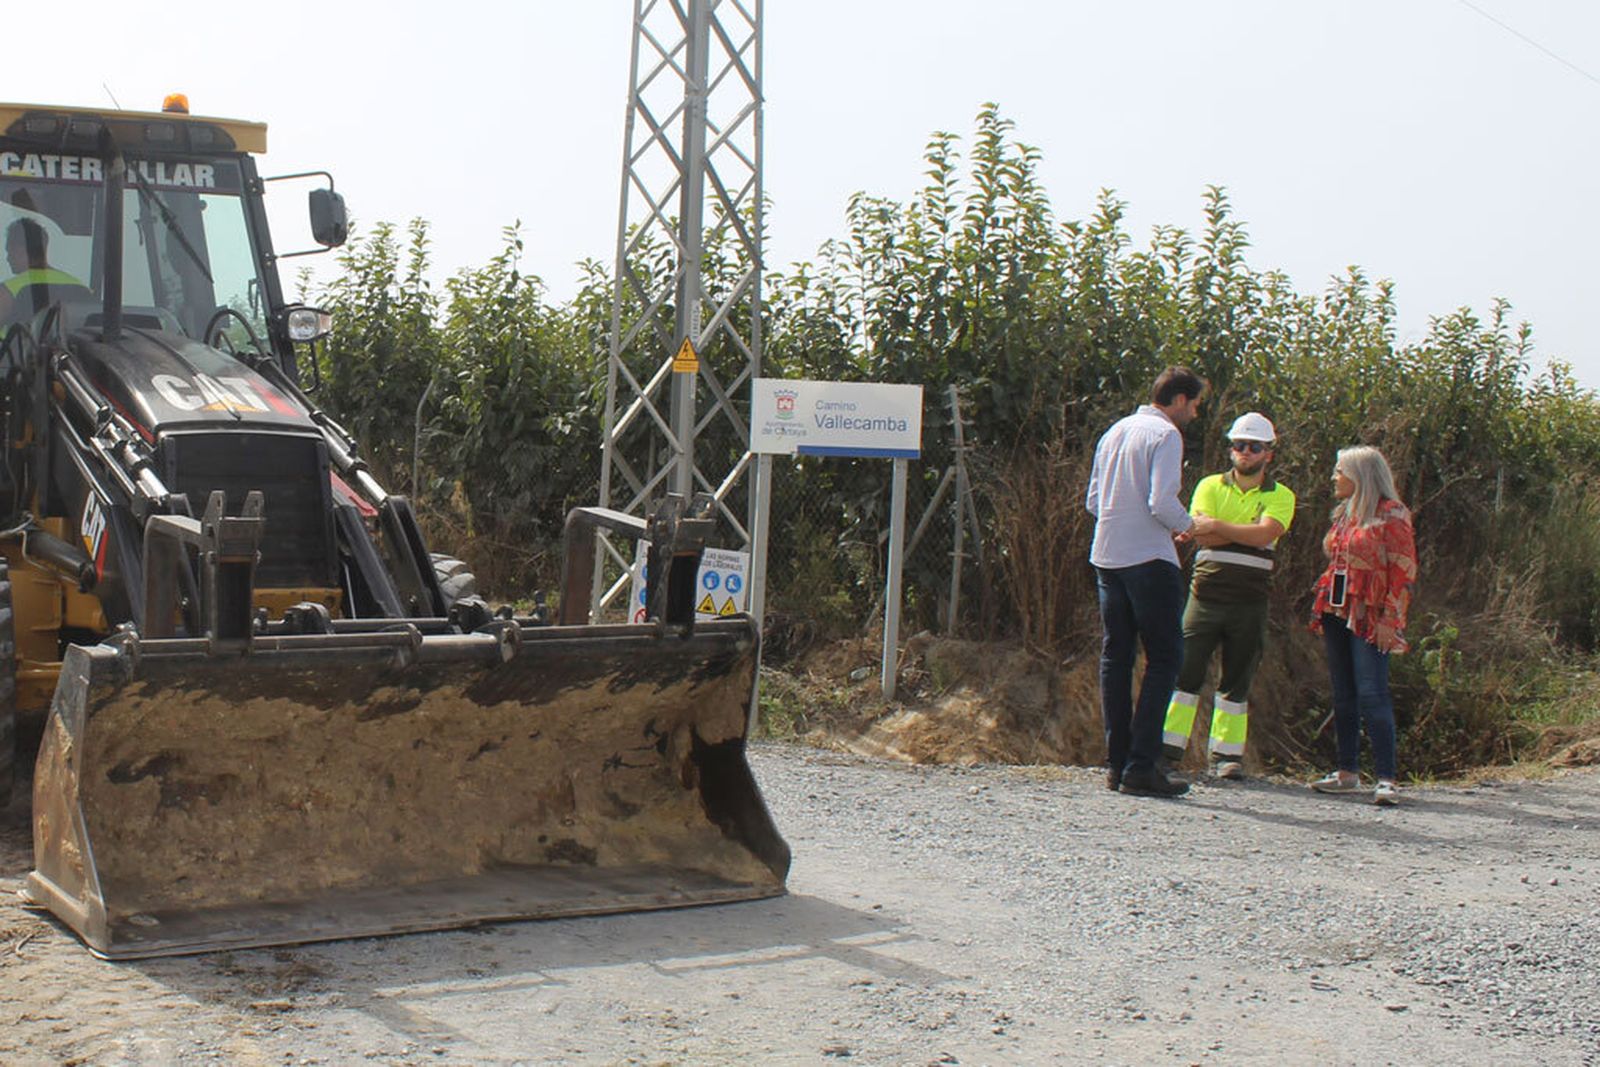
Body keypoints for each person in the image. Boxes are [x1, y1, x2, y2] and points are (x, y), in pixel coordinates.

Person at [1085, 366, 1207, 798]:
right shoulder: (1166, 435)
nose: (1194, 413)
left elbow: (1094, 500)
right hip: (1149, 559)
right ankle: (1142, 764)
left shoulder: (1115, 431)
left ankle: (1117, 763)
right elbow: (1161, 501)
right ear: (1179, 400)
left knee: (1116, 657)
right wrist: (1190, 525)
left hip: (1107, 554)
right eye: (1194, 404)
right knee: (1165, 658)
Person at [1162, 412, 1296, 780]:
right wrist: (1243, 532)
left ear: (1268, 453)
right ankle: (1167, 751)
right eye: (1239, 445)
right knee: (1185, 672)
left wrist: (1219, 526)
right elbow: (1199, 533)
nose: (1245, 452)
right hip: (1205, 596)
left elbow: (1265, 534)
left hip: (1250, 601)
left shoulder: (1281, 495)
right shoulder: (1209, 486)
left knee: (1237, 679)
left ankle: (1226, 757)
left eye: (1254, 447)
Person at [1306, 445, 1417, 806]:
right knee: (1343, 692)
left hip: (1370, 613)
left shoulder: (1392, 514)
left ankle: (1386, 777)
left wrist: (1390, 618)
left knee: (1372, 691)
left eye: (1340, 471)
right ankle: (1347, 771)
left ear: (1361, 475)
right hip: (1337, 608)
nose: (1334, 477)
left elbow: (1403, 570)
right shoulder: (1345, 513)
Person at [0, 218, 88, 325]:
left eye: (9, 251)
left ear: (20, 250)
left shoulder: (9, 290)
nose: (8, 258)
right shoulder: (80, 287)